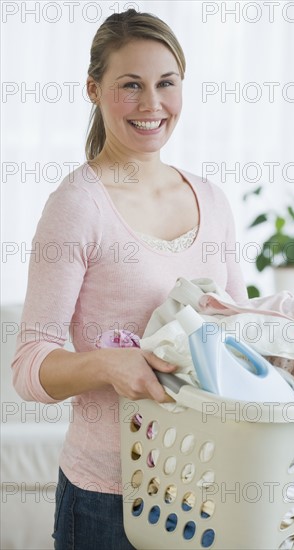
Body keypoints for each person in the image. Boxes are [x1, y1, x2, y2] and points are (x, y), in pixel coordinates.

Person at [11, 9, 247, 550]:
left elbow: (238, 334)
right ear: (94, 90)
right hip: (108, 497)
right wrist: (107, 363)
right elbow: (27, 367)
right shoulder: (77, 206)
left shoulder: (211, 200)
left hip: (205, 485)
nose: (151, 105)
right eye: (130, 86)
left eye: (166, 83)